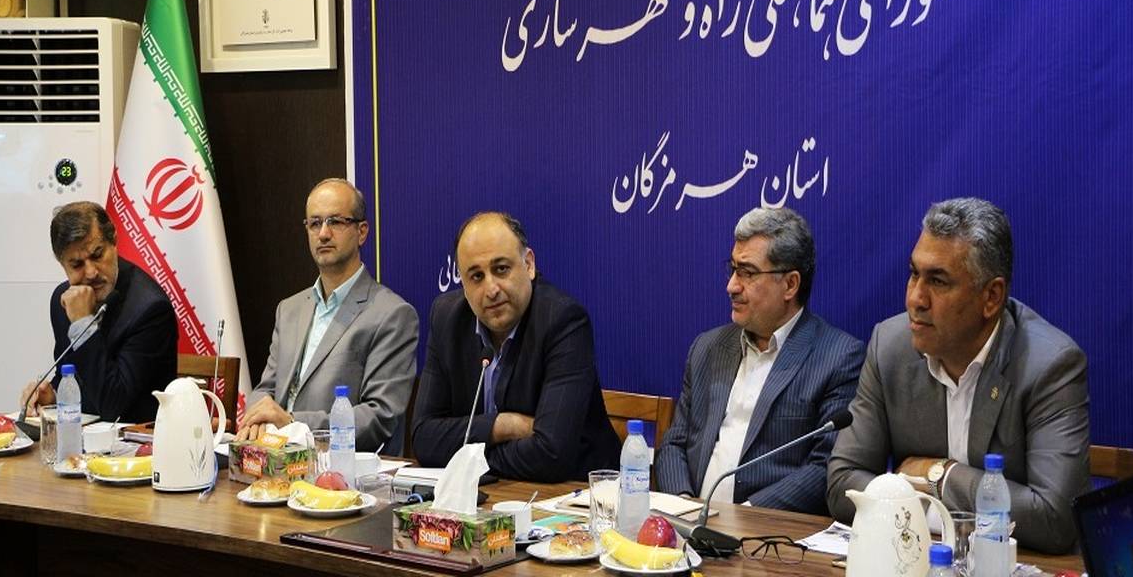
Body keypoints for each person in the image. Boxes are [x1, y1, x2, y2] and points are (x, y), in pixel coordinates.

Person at [827, 198, 1089, 554]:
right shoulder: (890, 347)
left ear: (991, 297)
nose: (915, 299)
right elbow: (843, 485)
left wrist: (940, 475)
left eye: (937, 281)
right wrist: (932, 510)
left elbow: (1055, 519)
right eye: (914, 274)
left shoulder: (1048, 365)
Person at [655, 208, 864, 514]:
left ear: (790, 285)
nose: (732, 286)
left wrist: (746, 514)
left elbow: (825, 467)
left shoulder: (838, 357)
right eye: (733, 269)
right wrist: (684, 507)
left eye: (748, 273)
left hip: (767, 532)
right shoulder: (707, 348)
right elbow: (674, 443)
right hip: (689, 523)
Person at [411, 212, 620, 481]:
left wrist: (468, 459)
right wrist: (504, 425)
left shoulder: (563, 321)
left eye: (501, 269)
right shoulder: (447, 317)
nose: (491, 289)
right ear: (462, 283)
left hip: (576, 493)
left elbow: (550, 454)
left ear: (529, 265)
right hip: (497, 492)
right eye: (476, 276)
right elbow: (423, 438)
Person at [237, 179, 417, 454]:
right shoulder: (289, 309)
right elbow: (266, 390)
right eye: (314, 223)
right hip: (277, 461)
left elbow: (379, 415)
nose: (323, 234)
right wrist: (259, 418)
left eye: (335, 222)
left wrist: (293, 424)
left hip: (342, 469)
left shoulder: (392, 314)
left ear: (362, 232)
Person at [21, 202, 176, 422]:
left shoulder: (150, 308)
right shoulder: (62, 301)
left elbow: (113, 404)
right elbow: (73, 374)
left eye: (97, 255)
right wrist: (54, 394)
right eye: (77, 265)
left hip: (137, 437)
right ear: (62, 265)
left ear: (114, 241)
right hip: (86, 437)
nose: (91, 272)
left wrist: (83, 323)